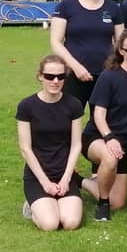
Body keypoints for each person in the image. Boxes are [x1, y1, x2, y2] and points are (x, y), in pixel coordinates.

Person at [79, 29, 127, 221]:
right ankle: (102, 204)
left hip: (123, 146)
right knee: (110, 159)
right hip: (97, 137)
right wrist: (109, 138)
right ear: (121, 51)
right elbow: (98, 114)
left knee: (119, 203)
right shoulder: (109, 77)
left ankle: (80, 181)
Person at [16, 55, 83, 231]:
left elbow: (76, 145)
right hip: (38, 175)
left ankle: (56, 202)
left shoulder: (74, 105)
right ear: (40, 76)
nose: (55, 81)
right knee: (50, 224)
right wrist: (45, 183)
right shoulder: (26, 106)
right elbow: (25, 148)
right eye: (49, 77)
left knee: (70, 223)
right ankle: (32, 206)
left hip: (64, 173)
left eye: (61, 77)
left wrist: (67, 178)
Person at [50, 0, 124, 113]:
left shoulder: (113, 8)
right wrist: (76, 67)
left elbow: (121, 44)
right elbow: (56, 42)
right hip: (73, 75)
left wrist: (117, 71)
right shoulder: (65, 7)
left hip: (106, 76)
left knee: (103, 124)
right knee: (67, 120)